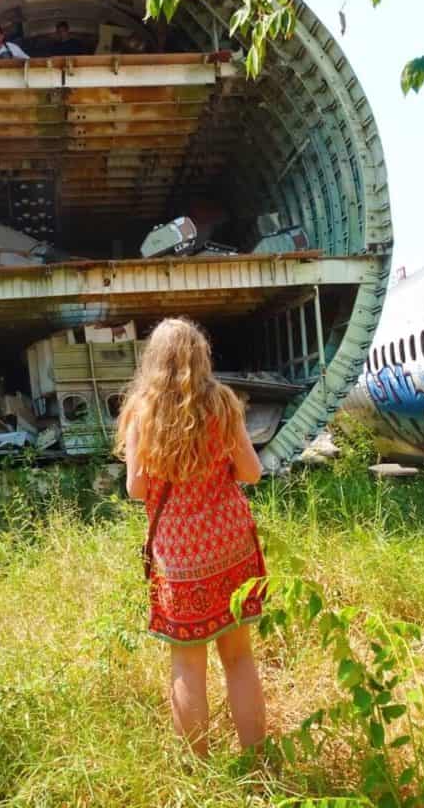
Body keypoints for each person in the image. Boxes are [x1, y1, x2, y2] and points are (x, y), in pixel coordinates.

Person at [114, 317, 266, 756]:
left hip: (178, 555)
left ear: (153, 362)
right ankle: (256, 759)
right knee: (238, 658)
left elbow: (136, 489)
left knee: (186, 660)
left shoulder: (143, 412)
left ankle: (198, 771)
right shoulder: (222, 404)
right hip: (229, 543)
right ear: (202, 356)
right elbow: (252, 473)